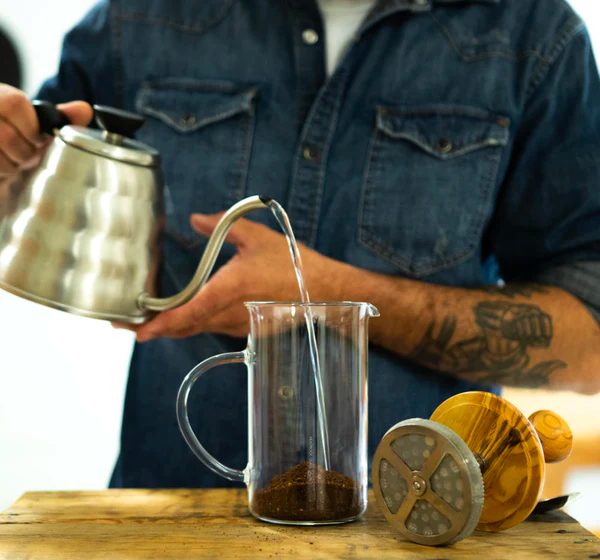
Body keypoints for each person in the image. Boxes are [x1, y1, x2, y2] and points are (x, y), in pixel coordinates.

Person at [0, 0, 599, 489]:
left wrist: (330, 293)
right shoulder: (137, 20)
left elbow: (590, 346)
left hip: (425, 536)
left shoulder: (535, 34)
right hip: (168, 525)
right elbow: (28, 194)